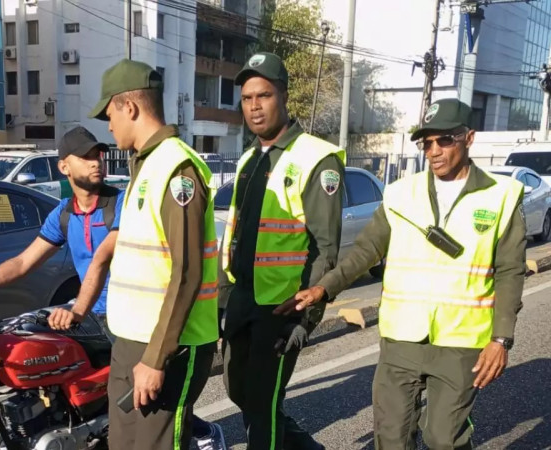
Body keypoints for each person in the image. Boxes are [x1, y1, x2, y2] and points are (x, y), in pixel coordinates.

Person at [289, 98, 526, 449]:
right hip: (401, 337)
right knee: (391, 437)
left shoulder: (501, 196)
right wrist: (324, 288)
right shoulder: (402, 193)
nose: (433, 150)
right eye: (426, 142)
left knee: (444, 438)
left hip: (460, 343)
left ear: (469, 138)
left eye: (444, 140)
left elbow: (510, 271)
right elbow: (367, 250)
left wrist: (501, 339)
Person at [57, 58, 221, 450]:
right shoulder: (142, 170)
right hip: (131, 340)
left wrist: (157, 358)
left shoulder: (176, 169)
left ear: (129, 107)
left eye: (109, 113)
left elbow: (186, 273)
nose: (108, 125)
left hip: (170, 345)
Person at [220, 52, 345, 450]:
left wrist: (304, 318)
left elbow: (326, 249)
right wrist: (224, 299)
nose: (254, 107)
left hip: (282, 308)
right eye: (247, 99)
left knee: (261, 403)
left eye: (264, 96)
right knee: (239, 393)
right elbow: (238, 237)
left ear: (284, 96)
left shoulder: (315, 159)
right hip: (242, 301)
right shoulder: (248, 160)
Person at [0, 126, 123, 326]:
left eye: (97, 156)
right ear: (64, 168)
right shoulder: (63, 214)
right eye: (85, 157)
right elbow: (22, 263)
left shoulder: (122, 203)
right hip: (90, 314)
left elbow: (102, 259)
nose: (95, 163)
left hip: (126, 317)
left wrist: (77, 309)